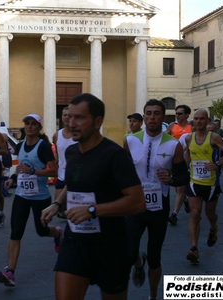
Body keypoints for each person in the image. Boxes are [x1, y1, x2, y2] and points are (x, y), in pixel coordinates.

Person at [41, 93, 146, 300]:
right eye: (70, 117)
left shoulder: (114, 155)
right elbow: (75, 182)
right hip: (75, 242)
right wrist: (57, 203)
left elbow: (137, 202)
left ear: (98, 121)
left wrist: (92, 211)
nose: (72, 123)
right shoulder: (71, 152)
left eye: (79, 118)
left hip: (110, 246)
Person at [124, 99, 189, 300]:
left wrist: (170, 179)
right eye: (149, 113)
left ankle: (153, 295)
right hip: (135, 205)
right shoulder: (130, 140)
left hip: (159, 207)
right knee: (128, 252)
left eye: (157, 113)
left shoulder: (173, 145)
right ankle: (137, 263)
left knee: (155, 256)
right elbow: (123, 172)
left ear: (163, 117)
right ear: (144, 116)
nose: (152, 117)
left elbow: (183, 177)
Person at [0, 113, 61, 287]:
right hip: (22, 195)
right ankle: (10, 271)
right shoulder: (20, 145)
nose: (29, 126)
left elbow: (54, 171)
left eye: (33, 124)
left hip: (40, 196)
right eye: (27, 123)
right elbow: (18, 167)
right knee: (16, 232)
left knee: (42, 230)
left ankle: (57, 234)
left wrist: (34, 172)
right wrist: (12, 179)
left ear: (39, 128)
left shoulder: (43, 146)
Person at [184, 109, 223, 264]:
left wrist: (217, 164)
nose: (198, 121)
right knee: (195, 213)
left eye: (202, 119)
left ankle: (213, 228)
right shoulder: (188, 138)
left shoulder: (214, 137)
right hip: (194, 181)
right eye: (196, 118)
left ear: (207, 120)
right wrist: (184, 171)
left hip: (211, 183)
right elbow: (188, 155)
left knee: (210, 214)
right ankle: (193, 248)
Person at [167, 104, 192, 225]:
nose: (177, 115)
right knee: (178, 189)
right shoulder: (172, 126)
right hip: (174, 159)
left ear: (187, 115)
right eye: (176, 113)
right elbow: (164, 139)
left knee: (181, 187)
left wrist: (186, 147)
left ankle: (174, 214)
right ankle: (186, 200)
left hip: (188, 160)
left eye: (180, 113)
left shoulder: (192, 127)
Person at [52, 106, 77, 219]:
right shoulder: (57, 135)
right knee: (59, 206)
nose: (67, 117)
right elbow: (57, 153)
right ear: (61, 117)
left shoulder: (78, 134)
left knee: (73, 209)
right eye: (64, 115)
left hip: (76, 175)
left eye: (69, 115)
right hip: (62, 175)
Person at [0, 133, 13, 197]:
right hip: (4, 164)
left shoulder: (6, 144)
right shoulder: (1, 145)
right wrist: (1, 164)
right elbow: (0, 156)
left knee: (6, 178)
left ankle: (6, 191)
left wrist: (8, 143)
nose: (7, 138)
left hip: (7, 164)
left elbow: (13, 151)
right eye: (6, 137)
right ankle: (4, 192)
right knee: (4, 179)